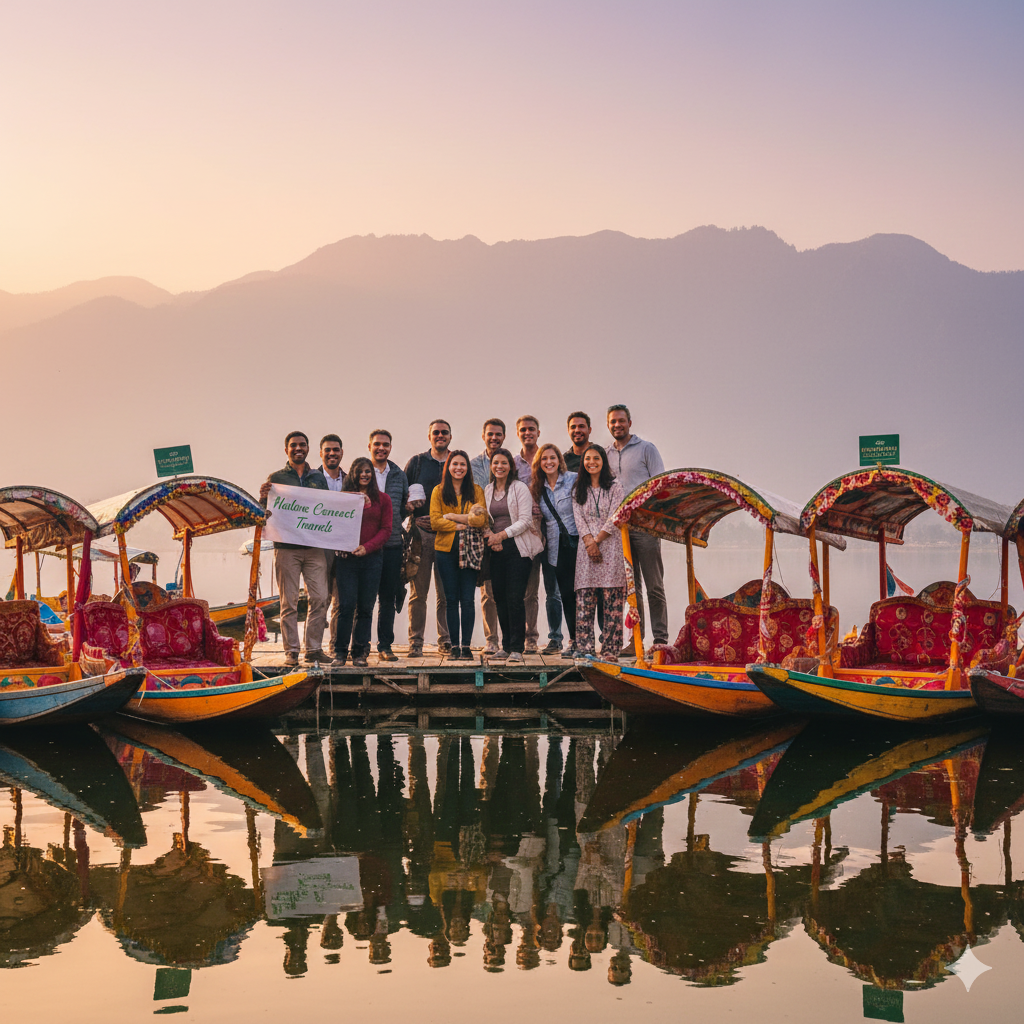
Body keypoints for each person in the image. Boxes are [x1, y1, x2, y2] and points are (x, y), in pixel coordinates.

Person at [259, 431, 329, 668]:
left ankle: (314, 649)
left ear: (308, 448)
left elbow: (328, 507)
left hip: (314, 547)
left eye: (302, 445)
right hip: (286, 548)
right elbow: (265, 512)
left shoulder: (319, 478)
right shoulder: (276, 477)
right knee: (287, 602)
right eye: (293, 445)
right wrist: (263, 498)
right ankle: (291, 651)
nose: (298, 448)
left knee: (320, 597)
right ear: (286, 449)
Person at [605, 404, 668, 655]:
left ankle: (661, 639)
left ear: (630, 422)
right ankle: (636, 640)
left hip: (646, 526)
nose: (617, 425)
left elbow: (661, 486)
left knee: (654, 584)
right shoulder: (605, 453)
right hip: (620, 529)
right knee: (631, 588)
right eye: (612, 422)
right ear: (608, 425)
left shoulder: (646, 449)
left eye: (621, 421)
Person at [483, 448, 544, 664]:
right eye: (496, 463)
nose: (499, 466)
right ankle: (506, 646)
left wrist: (501, 535)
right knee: (499, 597)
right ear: (491, 466)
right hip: (496, 549)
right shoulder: (488, 490)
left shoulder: (520, 488)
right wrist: (491, 537)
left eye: (504, 463)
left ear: (511, 466)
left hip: (518, 549)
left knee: (515, 597)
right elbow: (484, 520)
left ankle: (518, 648)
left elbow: (526, 520)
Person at [333, 457, 393, 668]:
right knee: (346, 606)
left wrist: (367, 547)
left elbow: (386, 530)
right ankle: (340, 652)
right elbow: (332, 520)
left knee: (366, 608)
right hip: (346, 560)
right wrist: (354, 497)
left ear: (372, 474)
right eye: (359, 471)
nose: (364, 475)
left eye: (368, 471)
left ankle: (360, 653)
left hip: (372, 559)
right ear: (352, 474)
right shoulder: (343, 498)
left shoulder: (383, 499)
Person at [430, 450, 487, 661]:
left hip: (470, 549)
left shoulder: (476, 490)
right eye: (455, 464)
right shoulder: (438, 491)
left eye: (462, 464)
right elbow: (435, 521)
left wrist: (452, 516)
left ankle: (466, 646)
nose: (459, 468)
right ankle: (454, 646)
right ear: (449, 467)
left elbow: (481, 520)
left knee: (468, 599)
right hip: (445, 551)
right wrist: (462, 523)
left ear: (467, 468)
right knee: (451, 599)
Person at [572, 444, 626, 661]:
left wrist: (598, 540)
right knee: (585, 599)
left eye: (596, 458)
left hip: (611, 547)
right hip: (586, 550)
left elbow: (617, 516)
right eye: (587, 459)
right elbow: (578, 518)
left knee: (612, 601)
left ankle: (610, 650)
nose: (591, 462)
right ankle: (585, 648)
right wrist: (589, 543)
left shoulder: (615, 487)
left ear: (603, 461)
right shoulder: (578, 489)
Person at [514, 415, 562, 655]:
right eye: (523, 429)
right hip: (526, 527)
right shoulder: (513, 463)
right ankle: (530, 638)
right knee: (529, 589)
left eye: (531, 429)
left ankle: (556, 639)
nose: (527, 433)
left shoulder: (548, 459)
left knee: (554, 587)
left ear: (538, 432)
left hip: (551, 526)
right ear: (518, 433)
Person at [404, 420, 453, 657]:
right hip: (420, 536)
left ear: (450, 437)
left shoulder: (457, 462)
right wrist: (410, 509)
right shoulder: (417, 462)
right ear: (429, 437)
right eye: (436, 432)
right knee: (418, 593)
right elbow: (404, 494)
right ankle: (416, 642)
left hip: (448, 535)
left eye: (444, 432)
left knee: (445, 594)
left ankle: (446, 640)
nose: (440, 435)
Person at [531, 443, 579, 658]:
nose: (548, 462)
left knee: (576, 593)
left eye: (552, 458)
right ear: (539, 464)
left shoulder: (573, 479)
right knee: (558, 593)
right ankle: (561, 639)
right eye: (544, 459)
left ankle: (578, 640)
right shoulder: (536, 487)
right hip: (552, 544)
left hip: (575, 541)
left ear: (560, 460)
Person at [367, 429, 409, 662]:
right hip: (365, 546)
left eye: (385, 444)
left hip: (392, 544)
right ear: (369, 446)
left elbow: (402, 508)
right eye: (377, 444)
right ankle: (360, 647)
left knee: (388, 599)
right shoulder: (361, 471)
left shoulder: (399, 475)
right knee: (363, 600)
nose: (381, 448)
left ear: (390, 447)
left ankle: (385, 646)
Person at [470, 418, 507, 656]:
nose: (494, 438)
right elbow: (474, 501)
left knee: (513, 591)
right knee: (488, 592)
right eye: (490, 434)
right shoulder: (474, 465)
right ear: (483, 436)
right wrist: (486, 532)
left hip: (509, 534)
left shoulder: (508, 462)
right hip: (482, 534)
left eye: (498, 434)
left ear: (504, 437)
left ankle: (516, 640)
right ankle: (492, 640)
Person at [318, 434, 345, 657]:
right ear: (321, 453)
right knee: (320, 599)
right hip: (318, 549)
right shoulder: (310, 479)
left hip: (345, 549)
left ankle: (336, 647)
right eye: (328, 450)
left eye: (336, 450)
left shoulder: (350, 480)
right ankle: (314, 647)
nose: (332, 454)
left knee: (341, 600)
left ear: (342, 453)